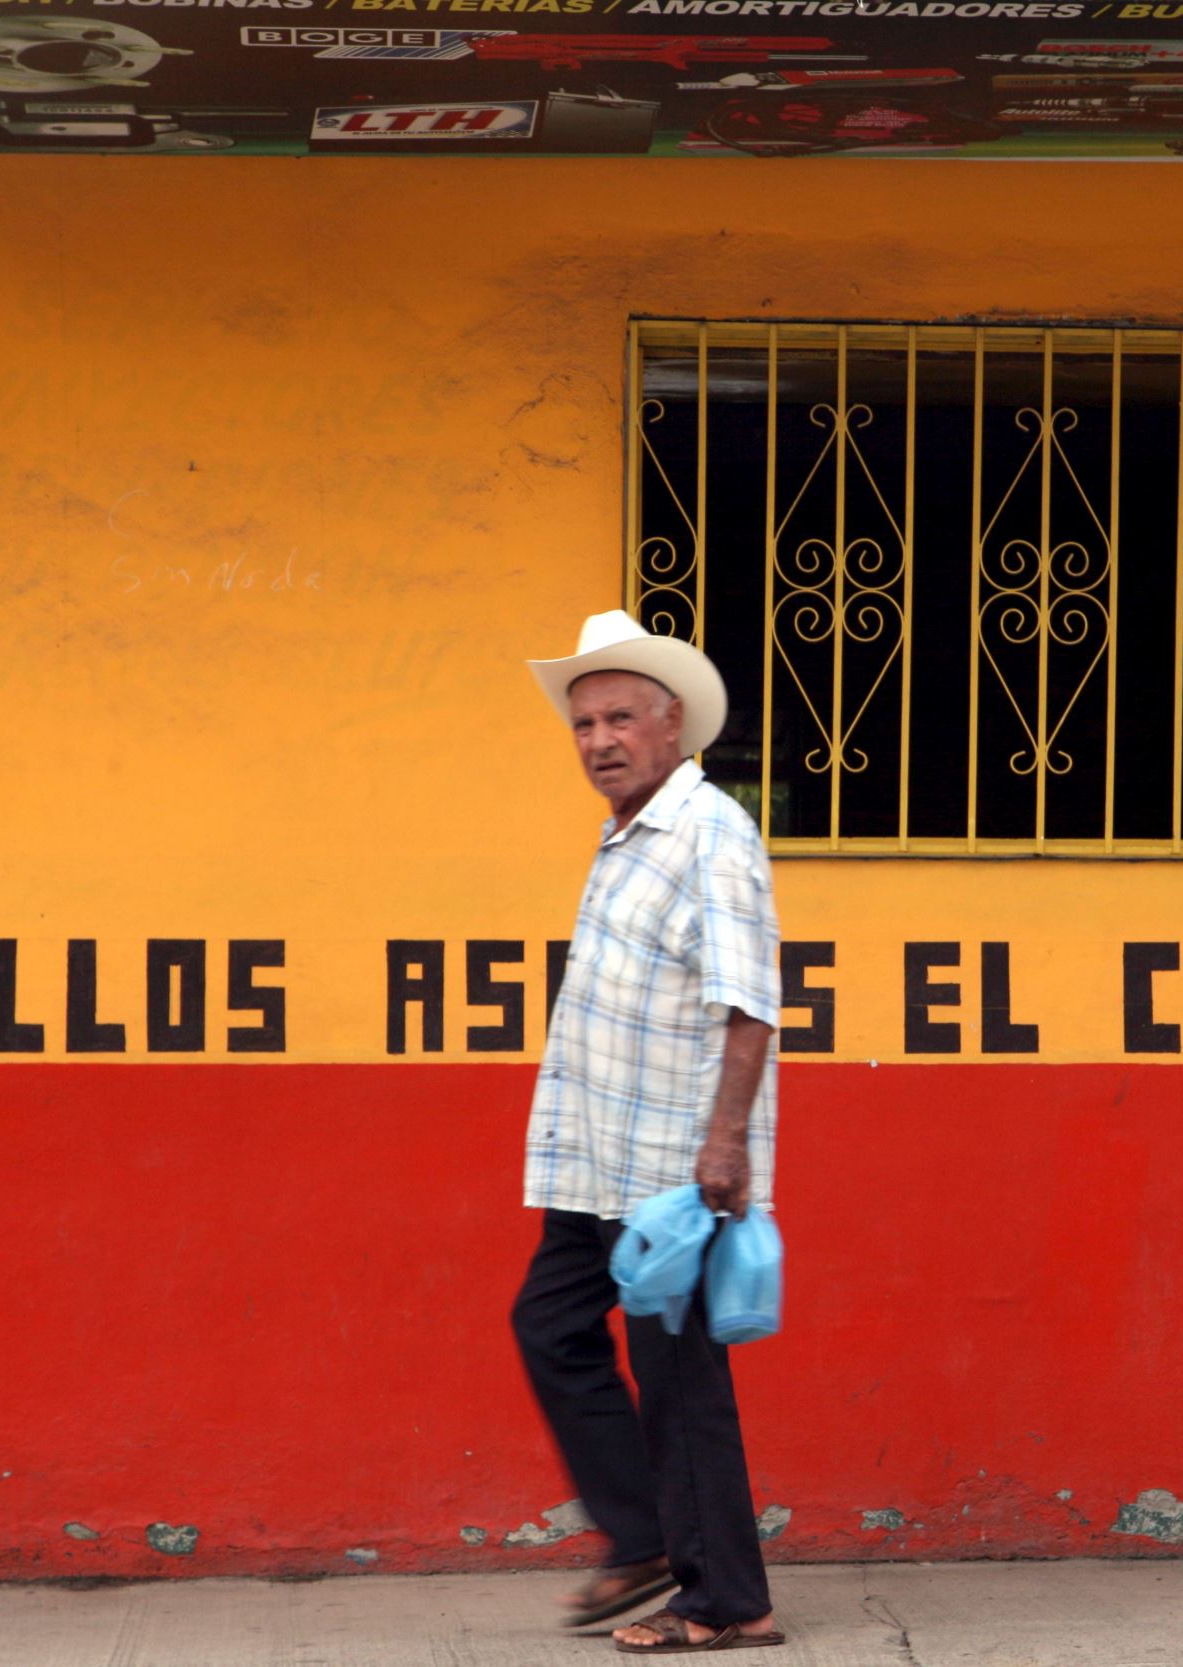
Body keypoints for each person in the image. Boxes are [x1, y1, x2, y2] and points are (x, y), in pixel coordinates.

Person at [510, 611, 787, 1654]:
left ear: (673, 726)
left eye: (621, 716)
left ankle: (727, 1598)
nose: (598, 739)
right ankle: (644, 1536)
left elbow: (749, 1000)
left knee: (680, 1380)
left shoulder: (709, 835)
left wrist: (725, 1147)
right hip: (597, 1164)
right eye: (583, 723)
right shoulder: (627, 834)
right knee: (549, 1324)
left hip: (671, 1171)